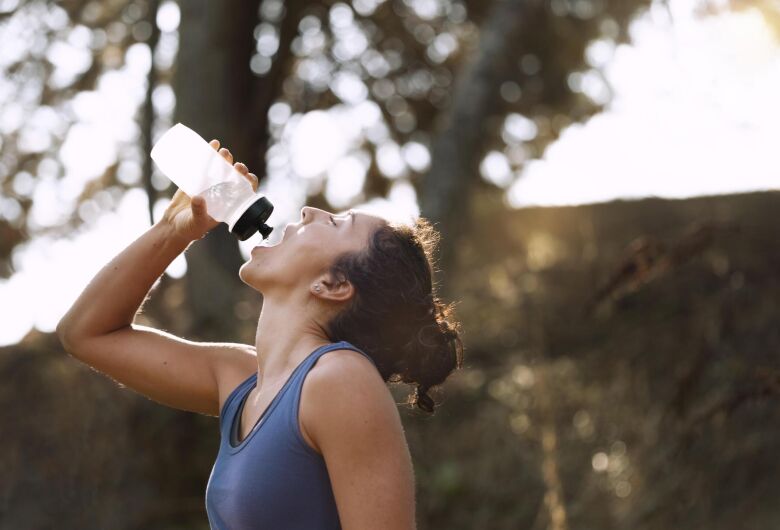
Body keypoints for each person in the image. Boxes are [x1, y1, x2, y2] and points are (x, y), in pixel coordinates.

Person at [56, 139, 464, 530]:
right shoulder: (242, 379)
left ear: (333, 284)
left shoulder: (339, 379)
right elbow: (85, 334)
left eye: (337, 222)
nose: (308, 211)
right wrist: (174, 230)